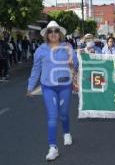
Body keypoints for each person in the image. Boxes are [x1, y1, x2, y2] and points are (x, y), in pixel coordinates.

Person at [27, 21, 78, 161]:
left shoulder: (68, 47)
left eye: (56, 31)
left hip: (65, 86)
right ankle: (53, 147)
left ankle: (66, 132)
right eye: (50, 31)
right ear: (47, 34)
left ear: (60, 33)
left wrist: (73, 64)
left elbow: (76, 65)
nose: (53, 33)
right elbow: (36, 69)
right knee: (52, 115)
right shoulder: (40, 50)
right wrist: (30, 87)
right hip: (48, 87)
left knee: (63, 114)